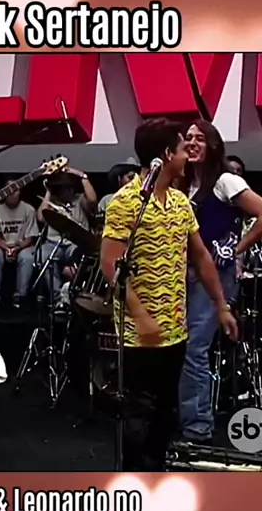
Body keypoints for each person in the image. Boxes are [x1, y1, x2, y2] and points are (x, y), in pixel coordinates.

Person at [101, 118, 238, 471]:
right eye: (181, 149)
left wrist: (221, 305)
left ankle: (157, 476)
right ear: (164, 155)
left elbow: (201, 257)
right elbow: (111, 266)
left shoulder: (180, 202)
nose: (186, 155)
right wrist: (141, 316)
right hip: (138, 335)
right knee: (138, 415)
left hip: (175, 329)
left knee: (164, 413)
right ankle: (133, 485)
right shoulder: (126, 202)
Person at [179, 120, 262, 443]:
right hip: (184, 273)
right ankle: (184, 417)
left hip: (215, 275)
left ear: (213, 145)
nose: (193, 143)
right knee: (180, 345)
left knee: (194, 347)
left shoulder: (225, 181)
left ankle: (197, 426)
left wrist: (235, 249)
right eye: (188, 138)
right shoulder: (182, 184)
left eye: (200, 138)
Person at [37, 169, 97, 303]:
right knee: (43, 256)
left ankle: (74, 296)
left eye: (69, 188)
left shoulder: (79, 199)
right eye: (63, 188)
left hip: (75, 244)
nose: (67, 191)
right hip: (54, 244)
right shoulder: (52, 202)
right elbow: (41, 217)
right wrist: (48, 191)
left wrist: (82, 176)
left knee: (77, 257)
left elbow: (93, 200)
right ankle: (58, 298)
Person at [0, 183, 39, 308]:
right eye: (8, 190)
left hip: (22, 246)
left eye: (15, 190)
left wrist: (17, 249)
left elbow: (31, 237)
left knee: (27, 257)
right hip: (1, 246)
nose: (11, 193)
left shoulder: (29, 209)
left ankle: (20, 296)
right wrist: (6, 248)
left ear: (20, 192)